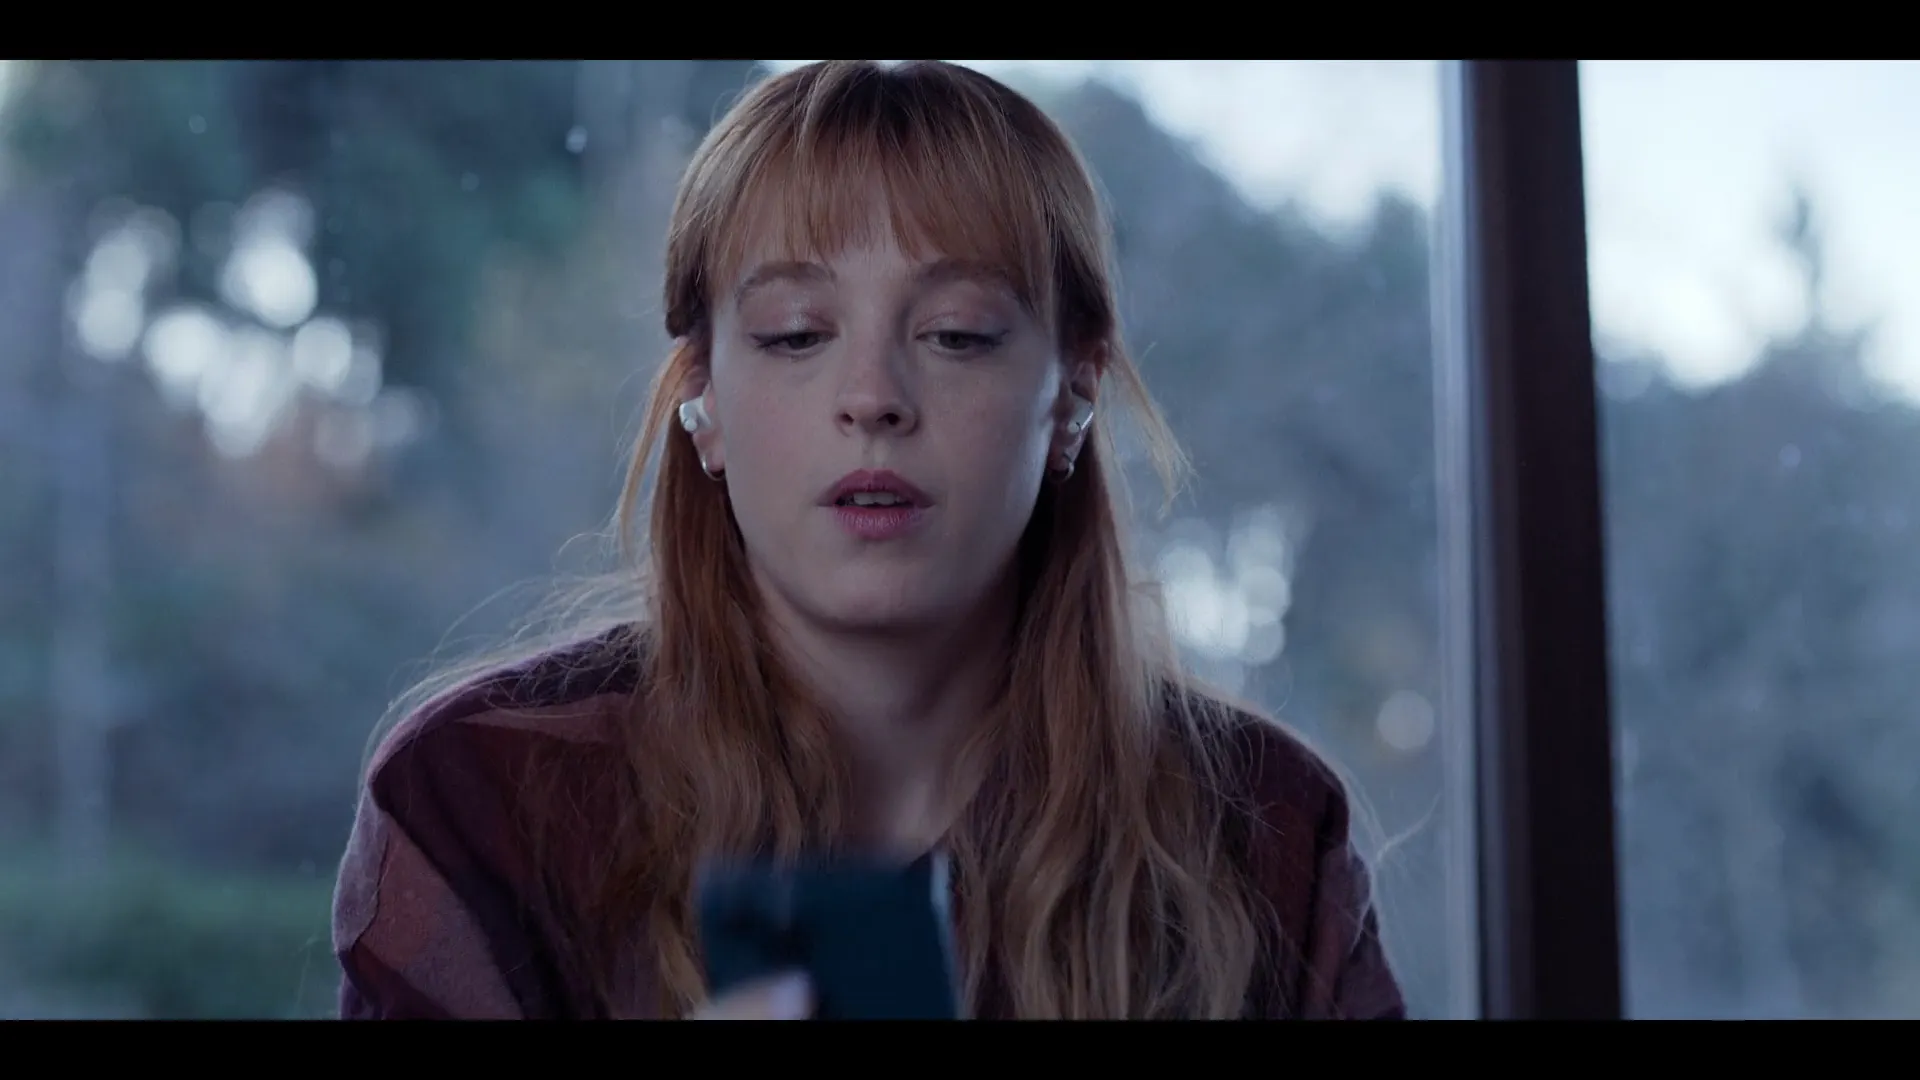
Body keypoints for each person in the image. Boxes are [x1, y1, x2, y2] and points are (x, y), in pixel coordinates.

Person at [331, 58, 1406, 1021]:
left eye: (956, 335)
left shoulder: (1268, 835)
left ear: (1072, 395)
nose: (873, 397)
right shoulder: (476, 802)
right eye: (796, 334)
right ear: (704, 398)